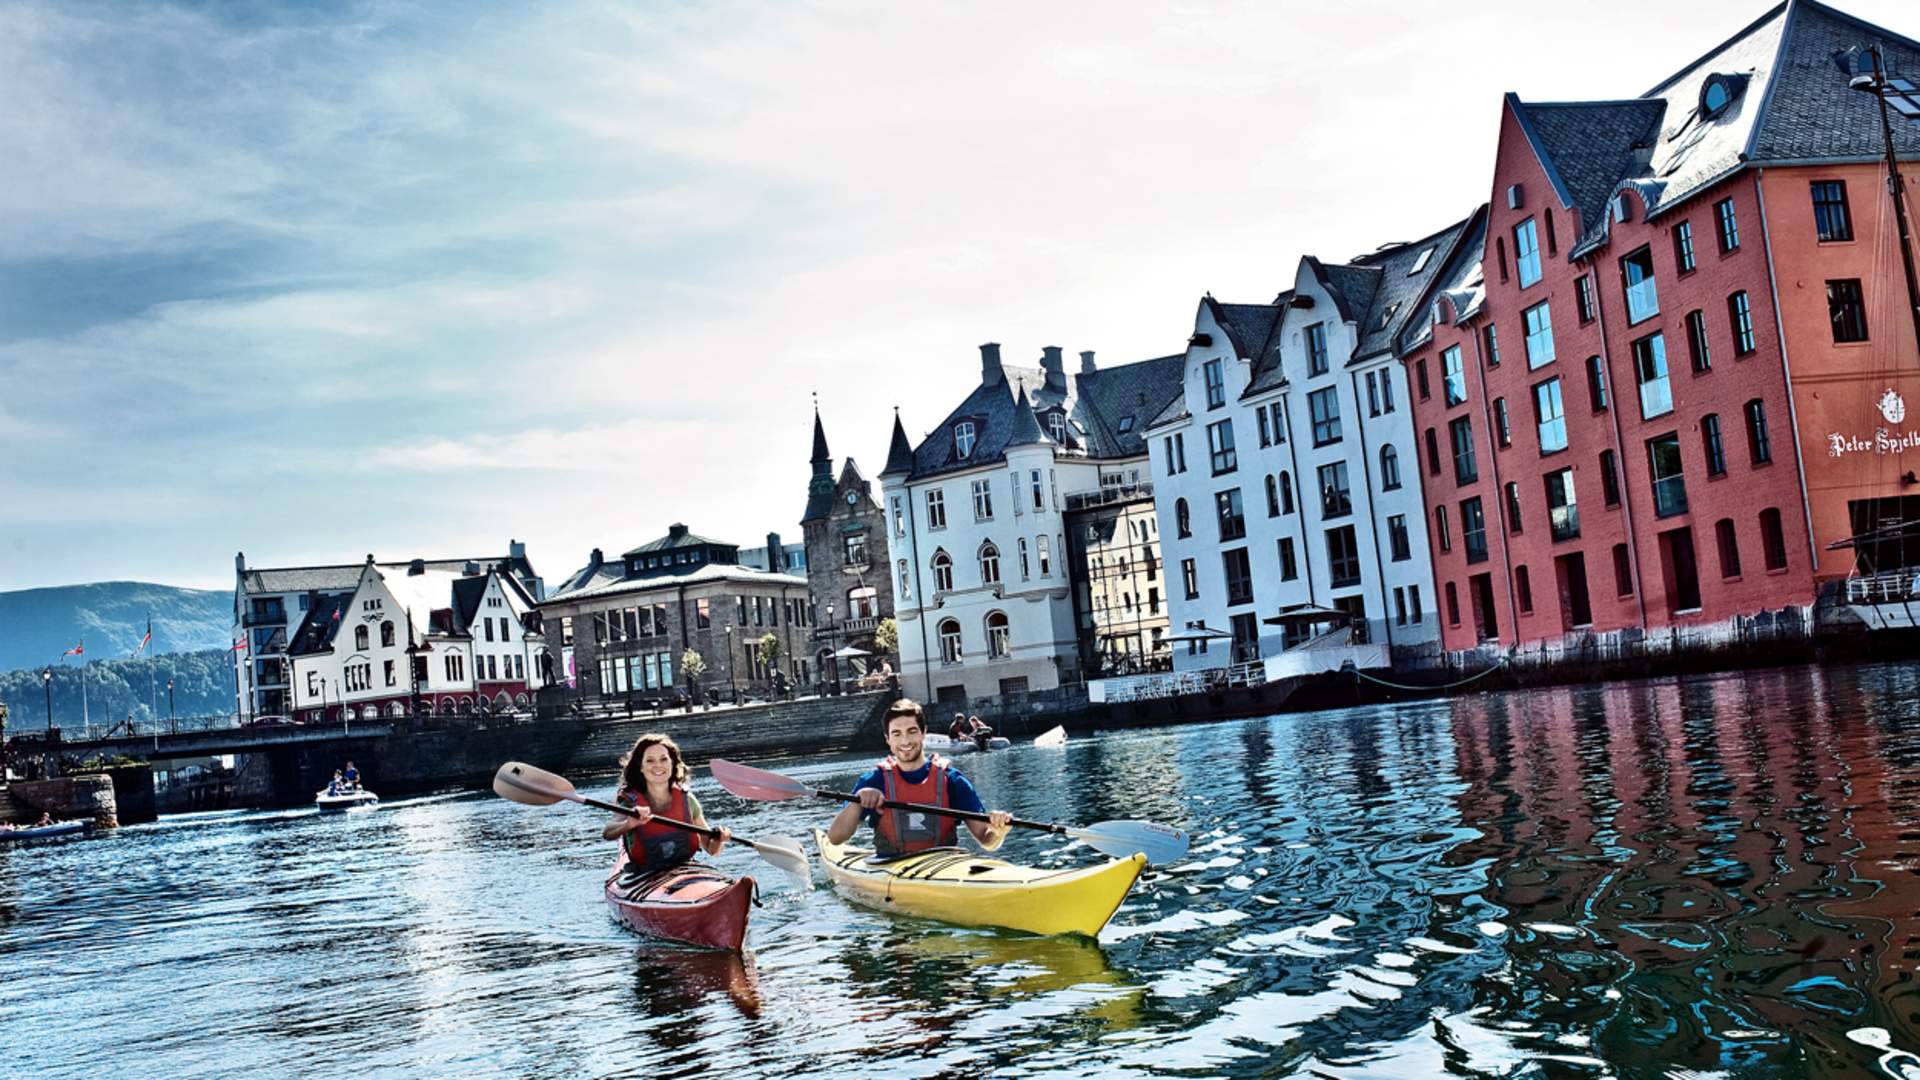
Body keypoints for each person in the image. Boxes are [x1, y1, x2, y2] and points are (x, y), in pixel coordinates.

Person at [827, 699, 1011, 858]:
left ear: (923, 733)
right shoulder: (873, 781)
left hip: (944, 866)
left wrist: (998, 831)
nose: (905, 741)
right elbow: (835, 838)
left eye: (912, 731)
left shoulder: (953, 781)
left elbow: (986, 840)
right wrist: (857, 802)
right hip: (891, 866)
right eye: (897, 734)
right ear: (888, 739)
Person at [603, 733, 728, 877]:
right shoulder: (630, 803)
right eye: (650, 761)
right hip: (645, 874)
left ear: (672, 763)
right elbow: (608, 832)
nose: (658, 765)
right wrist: (628, 824)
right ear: (641, 767)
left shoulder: (688, 800)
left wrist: (719, 840)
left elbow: (711, 849)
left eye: (664, 759)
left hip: (684, 870)